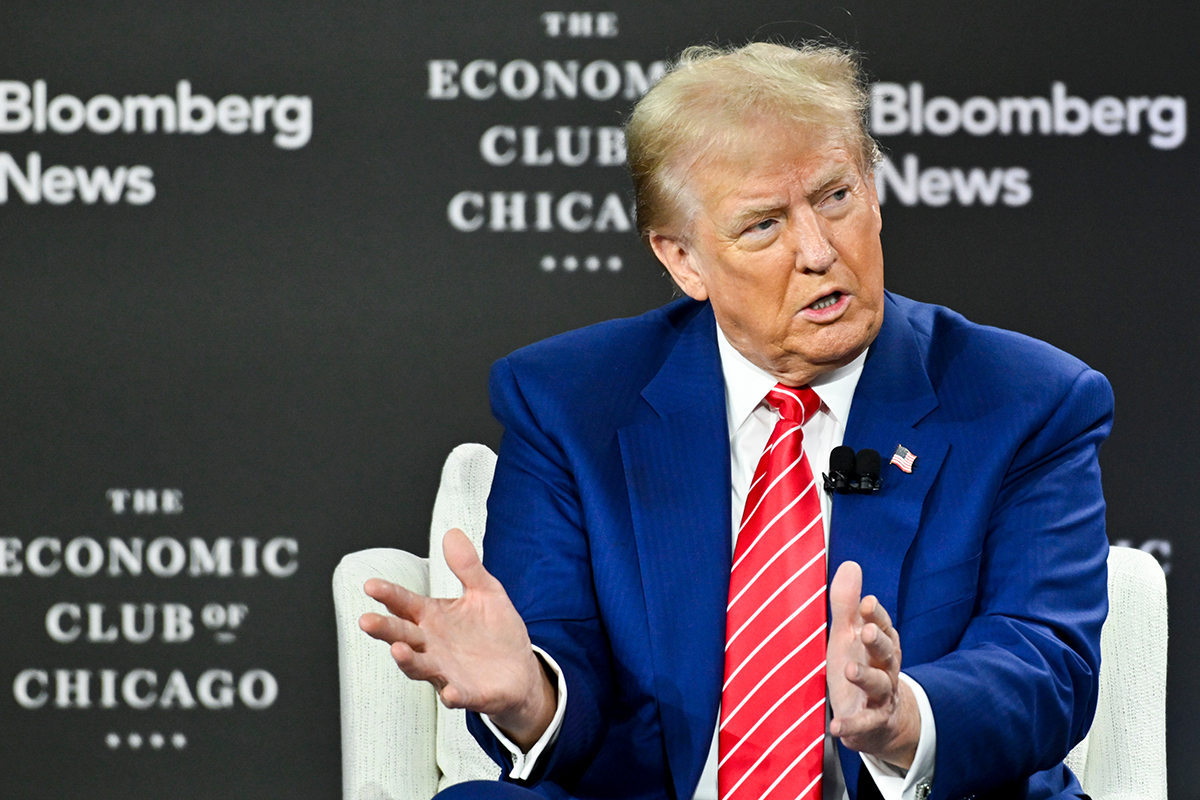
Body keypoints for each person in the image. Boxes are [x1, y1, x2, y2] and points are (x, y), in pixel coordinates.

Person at [360, 41, 1112, 800]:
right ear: (683, 259)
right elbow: (562, 650)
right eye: (763, 226)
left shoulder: (1024, 400)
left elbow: (1045, 658)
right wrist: (532, 695)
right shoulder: (571, 403)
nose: (819, 251)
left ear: (874, 193)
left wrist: (903, 720)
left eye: (836, 197)